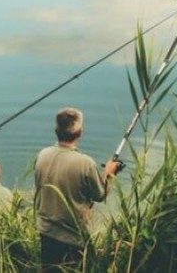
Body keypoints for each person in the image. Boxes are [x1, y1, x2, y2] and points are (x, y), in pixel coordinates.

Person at [34, 107, 120, 271]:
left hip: (46, 232)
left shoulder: (42, 155)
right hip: (72, 238)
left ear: (56, 130)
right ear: (80, 132)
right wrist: (108, 174)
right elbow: (100, 195)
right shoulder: (85, 163)